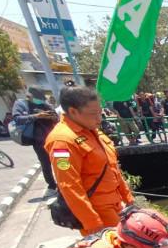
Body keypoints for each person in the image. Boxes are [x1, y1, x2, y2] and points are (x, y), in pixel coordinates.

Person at [45, 86, 135, 235]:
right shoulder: (63, 140)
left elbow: (111, 167)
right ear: (73, 112)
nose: (99, 117)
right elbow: (69, 185)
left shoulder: (91, 131)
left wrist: (128, 197)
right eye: (93, 113)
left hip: (114, 202)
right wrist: (91, 222)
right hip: (97, 209)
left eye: (100, 112)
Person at [12, 87, 59, 190]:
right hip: (38, 140)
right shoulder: (21, 104)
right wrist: (37, 116)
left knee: (60, 161)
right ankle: (51, 185)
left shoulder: (46, 105)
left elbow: (58, 119)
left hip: (53, 139)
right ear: (30, 96)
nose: (40, 100)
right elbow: (17, 119)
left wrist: (53, 118)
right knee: (45, 163)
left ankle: (63, 182)